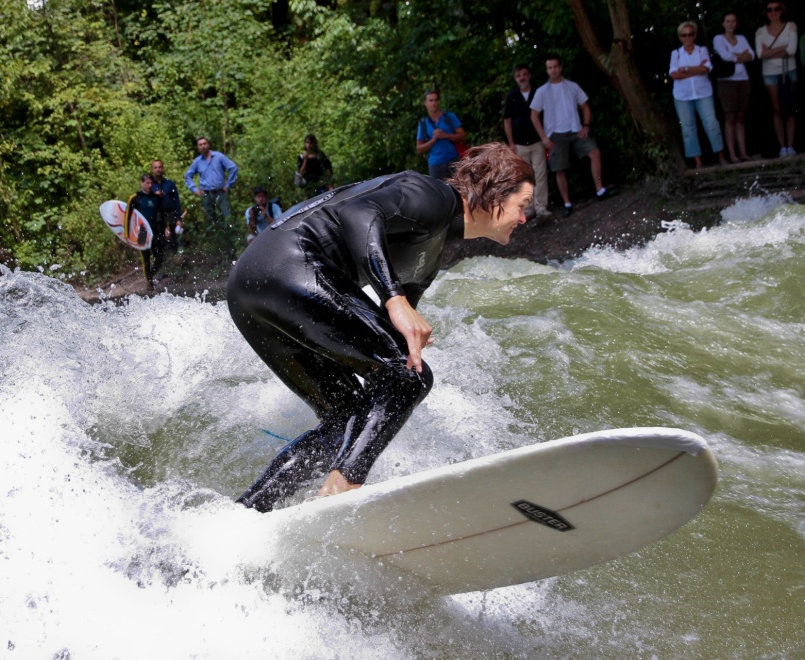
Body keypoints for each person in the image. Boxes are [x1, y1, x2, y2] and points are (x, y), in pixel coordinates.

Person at [228, 143, 535, 512]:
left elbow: (387, 351)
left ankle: (244, 516)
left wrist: (401, 315)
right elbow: (359, 212)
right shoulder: (434, 195)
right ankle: (340, 491)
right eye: (523, 206)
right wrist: (394, 299)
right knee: (410, 376)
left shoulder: (431, 249)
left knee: (347, 420)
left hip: (251, 285)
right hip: (289, 263)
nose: (523, 219)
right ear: (495, 194)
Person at [529, 56, 617, 218]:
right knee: (559, 168)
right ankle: (567, 203)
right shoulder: (542, 91)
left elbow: (585, 107)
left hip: (576, 130)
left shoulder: (572, 87)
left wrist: (586, 125)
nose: (553, 70)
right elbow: (534, 115)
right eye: (550, 67)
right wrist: (543, 137)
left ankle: (600, 189)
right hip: (555, 134)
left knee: (594, 153)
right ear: (546, 70)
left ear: (560, 68)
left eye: (555, 66)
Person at [669, 23, 729, 168]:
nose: (688, 38)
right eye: (684, 35)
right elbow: (674, 74)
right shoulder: (676, 53)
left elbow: (706, 69)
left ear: (695, 35)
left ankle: (721, 156)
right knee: (688, 128)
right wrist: (697, 69)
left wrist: (687, 69)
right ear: (680, 37)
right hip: (683, 96)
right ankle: (698, 162)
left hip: (703, 93)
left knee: (712, 124)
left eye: (690, 34)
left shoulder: (702, 50)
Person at [503, 64, 551, 220]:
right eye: (518, 75)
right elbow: (507, 121)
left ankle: (541, 206)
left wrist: (546, 136)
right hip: (519, 144)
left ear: (529, 75)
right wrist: (511, 143)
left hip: (538, 141)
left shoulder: (539, 92)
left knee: (540, 174)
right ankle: (529, 209)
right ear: (515, 78)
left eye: (524, 74)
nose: (522, 78)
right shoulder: (512, 96)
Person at [756, 1, 800, 156]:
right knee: (777, 108)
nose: (773, 12)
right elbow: (760, 54)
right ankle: (782, 147)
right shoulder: (760, 31)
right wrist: (783, 48)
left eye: (776, 9)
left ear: (782, 10)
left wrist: (771, 51)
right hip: (770, 72)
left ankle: (791, 145)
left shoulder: (791, 26)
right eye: (769, 10)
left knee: (790, 107)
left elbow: (792, 50)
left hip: (789, 70)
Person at [184, 137, 239, 256]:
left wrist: (228, 185)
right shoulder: (197, 162)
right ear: (198, 147)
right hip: (206, 194)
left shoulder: (218, 157)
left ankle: (232, 246)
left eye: (204, 143)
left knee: (227, 217)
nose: (203, 146)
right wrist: (195, 189)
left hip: (221, 192)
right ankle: (214, 249)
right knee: (210, 220)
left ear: (208, 144)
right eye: (200, 144)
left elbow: (233, 168)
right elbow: (188, 176)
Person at [713, 13, 756, 163]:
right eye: (728, 21)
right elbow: (725, 56)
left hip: (743, 79)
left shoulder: (742, 39)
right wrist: (740, 55)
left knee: (741, 116)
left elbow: (752, 55)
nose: (731, 24)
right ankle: (732, 154)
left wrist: (735, 55)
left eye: (733, 21)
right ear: (723, 23)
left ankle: (743, 152)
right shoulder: (718, 39)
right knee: (730, 116)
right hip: (726, 81)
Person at [416, 90, 466, 180]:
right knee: (439, 193)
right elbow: (419, 149)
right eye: (431, 101)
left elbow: (463, 136)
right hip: (435, 164)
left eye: (436, 100)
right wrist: (433, 140)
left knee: (460, 190)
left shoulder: (449, 116)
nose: (434, 103)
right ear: (425, 103)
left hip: (454, 160)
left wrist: (445, 135)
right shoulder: (423, 123)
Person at [124, 174, 162, 287]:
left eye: (151, 183)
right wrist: (127, 234)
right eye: (147, 183)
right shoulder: (135, 198)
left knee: (159, 257)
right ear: (142, 183)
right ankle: (150, 285)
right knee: (146, 259)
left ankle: (151, 274)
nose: (149, 185)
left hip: (154, 231)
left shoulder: (156, 198)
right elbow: (127, 217)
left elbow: (161, 215)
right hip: (142, 232)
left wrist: (166, 228)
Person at [151, 159, 182, 254]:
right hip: (157, 215)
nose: (158, 169)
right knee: (160, 239)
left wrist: (179, 218)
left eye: (159, 167)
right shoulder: (149, 185)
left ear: (163, 168)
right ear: (152, 169)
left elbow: (176, 201)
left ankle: (176, 257)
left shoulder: (170, 184)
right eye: (155, 167)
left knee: (174, 237)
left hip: (170, 213)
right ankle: (163, 260)